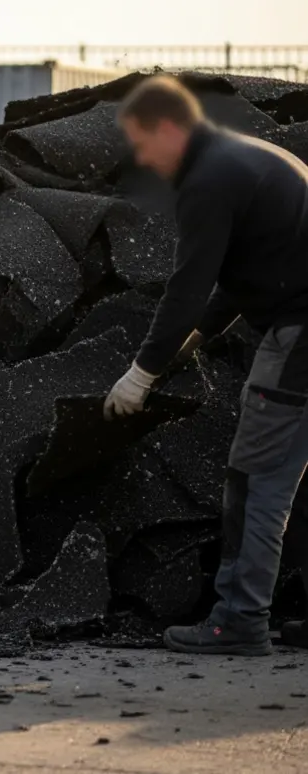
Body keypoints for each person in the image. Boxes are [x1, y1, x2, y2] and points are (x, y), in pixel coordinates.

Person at [104, 75, 308, 656]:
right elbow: (238, 278)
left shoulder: (208, 179)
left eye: (143, 145)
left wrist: (142, 372)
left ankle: (239, 620)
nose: (143, 159)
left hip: (300, 340)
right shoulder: (244, 159)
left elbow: (188, 287)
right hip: (299, 323)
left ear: (170, 128)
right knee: (300, 484)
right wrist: (196, 339)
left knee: (256, 479)